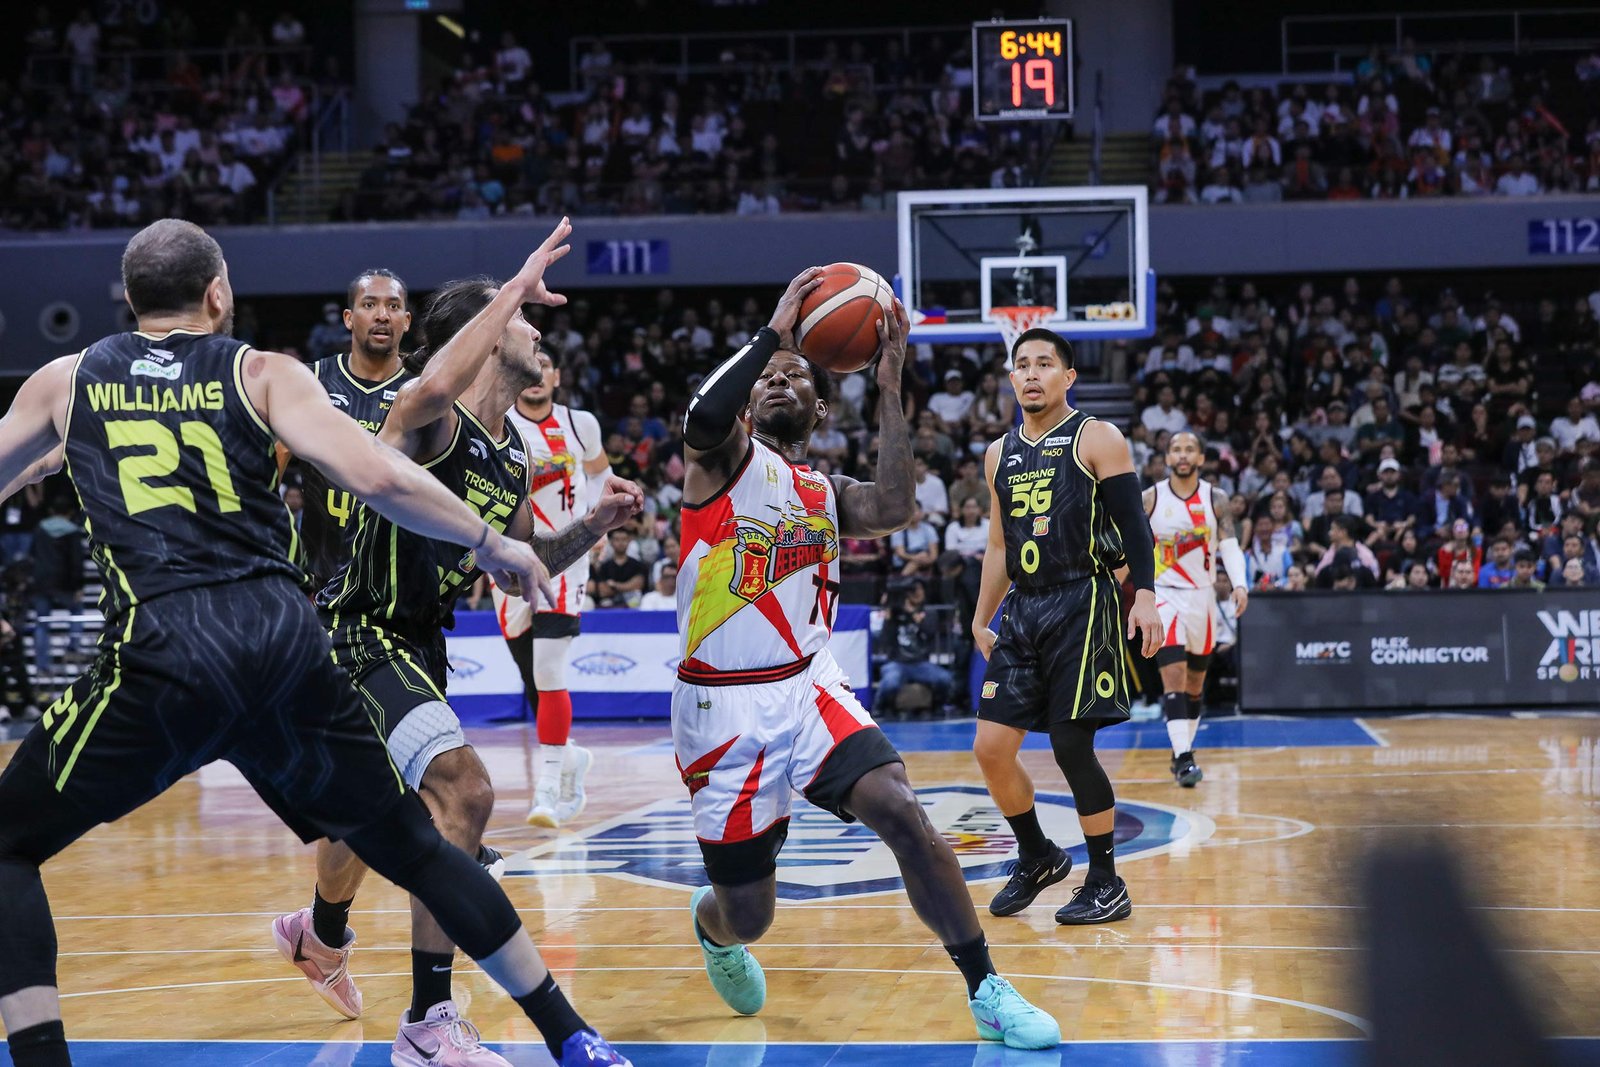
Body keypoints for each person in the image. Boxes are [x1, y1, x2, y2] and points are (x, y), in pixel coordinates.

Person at [0, 219, 632, 1067]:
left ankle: (46, 1055)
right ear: (218, 294)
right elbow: (374, 471)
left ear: (128, 300)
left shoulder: (65, 380)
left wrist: (55, 456)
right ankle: (569, 1035)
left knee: (8, 844)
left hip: (165, 654)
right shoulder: (263, 370)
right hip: (292, 645)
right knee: (420, 837)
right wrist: (493, 543)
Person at [274, 219, 645, 1066]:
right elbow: (431, 387)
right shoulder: (428, 417)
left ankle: (318, 932)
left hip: (418, 644)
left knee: (378, 825)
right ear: (482, 337)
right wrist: (510, 284)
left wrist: (594, 522)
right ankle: (430, 1021)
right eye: (520, 317)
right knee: (466, 798)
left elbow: (523, 564)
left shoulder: (510, 455)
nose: (537, 328)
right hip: (359, 633)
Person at [675, 268, 1059, 1049]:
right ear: (751, 402)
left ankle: (985, 985)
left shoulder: (827, 490)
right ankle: (714, 928)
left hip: (811, 684)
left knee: (903, 811)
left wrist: (889, 381)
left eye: (799, 376)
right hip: (722, 707)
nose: (783, 378)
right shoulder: (719, 462)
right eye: (771, 377)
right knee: (750, 912)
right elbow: (703, 412)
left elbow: (897, 506)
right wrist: (774, 336)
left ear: (822, 408)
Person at [970, 328, 1162, 926]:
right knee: (991, 749)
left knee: (1070, 744)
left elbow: (1135, 526)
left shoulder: (1098, 437)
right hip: (1024, 608)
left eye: (1044, 364)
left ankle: (1106, 879)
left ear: (1068, 377)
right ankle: (1038, 855)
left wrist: (1146, 596)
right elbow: (1000, 543)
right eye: (1021, 364)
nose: (1031, 374)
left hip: (1085, 597)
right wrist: (982, 616)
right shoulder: (998, 453)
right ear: (1010, 377)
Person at [489, 344, 610, 829]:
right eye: (529, 369)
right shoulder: (499, 424)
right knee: (531, 673)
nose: (536, 376)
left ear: (557, 376)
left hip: (567, 558)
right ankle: (570, 755)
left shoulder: (581, 424)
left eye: (544, 368)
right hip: (511, 557)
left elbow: (602, 474)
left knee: (549, 667)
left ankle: (549, 785)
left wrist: (598, 526)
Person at [291, 268, 413, 588]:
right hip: (318, 580)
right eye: (370, 305)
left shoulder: (423, 389)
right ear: (348, 318)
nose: (382, 316)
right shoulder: (310, 381)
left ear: (407, 321)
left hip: (398, 585)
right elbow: (268, 471)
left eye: (393, 306)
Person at [1144, 432, 1248, 787]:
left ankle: (1180, 751)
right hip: (1165, 595)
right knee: (1172, 677)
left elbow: (1230, 546)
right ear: (1167, 458)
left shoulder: (1216, 499)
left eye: (1190, 449)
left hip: (1202, 598)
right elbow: (1127, 544)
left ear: (1201, 458)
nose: (1183, 455)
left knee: (1194, 687)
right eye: (1176, 449)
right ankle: (1186, 759)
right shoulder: (1151, 498)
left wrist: (1239, 583)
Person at [873, 581, 953, 715]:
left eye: (918, 590)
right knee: (889, 683)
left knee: (945, 679)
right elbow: (884, 640)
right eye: (912, 591)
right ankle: (879, 707)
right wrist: (889, 619)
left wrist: (915, 617)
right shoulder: (894, 614)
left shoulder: (927, 612)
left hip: (920, 662)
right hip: (897, 662)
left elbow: (930, 632)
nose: (915, 594)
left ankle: (938, 705)